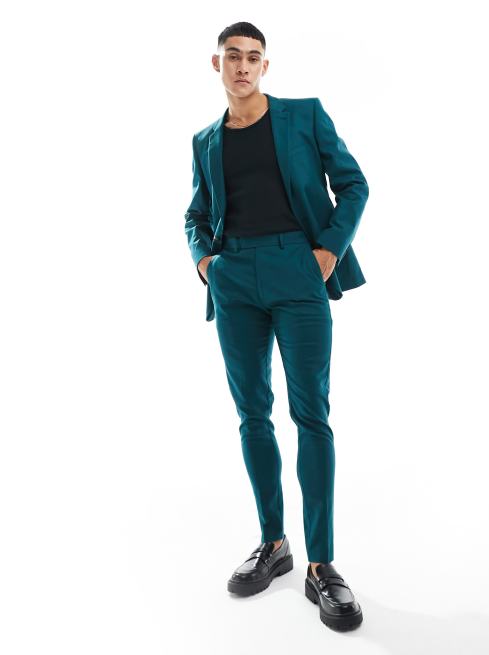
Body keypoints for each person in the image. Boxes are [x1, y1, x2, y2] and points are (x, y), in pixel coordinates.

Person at [184, 21, 369, 631]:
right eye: (232, 56)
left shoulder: (303, 116)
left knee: (311, 413)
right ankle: (273, 543)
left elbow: (354, 184)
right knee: (252, 415)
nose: (242, 66)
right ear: (217, 64)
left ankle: (322, 564)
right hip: (234, 277)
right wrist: (206, 262)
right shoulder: (205, 140)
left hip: (299, 269)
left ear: (265, 66)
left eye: (253, 57)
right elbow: (195, 213)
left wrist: (328, 250)